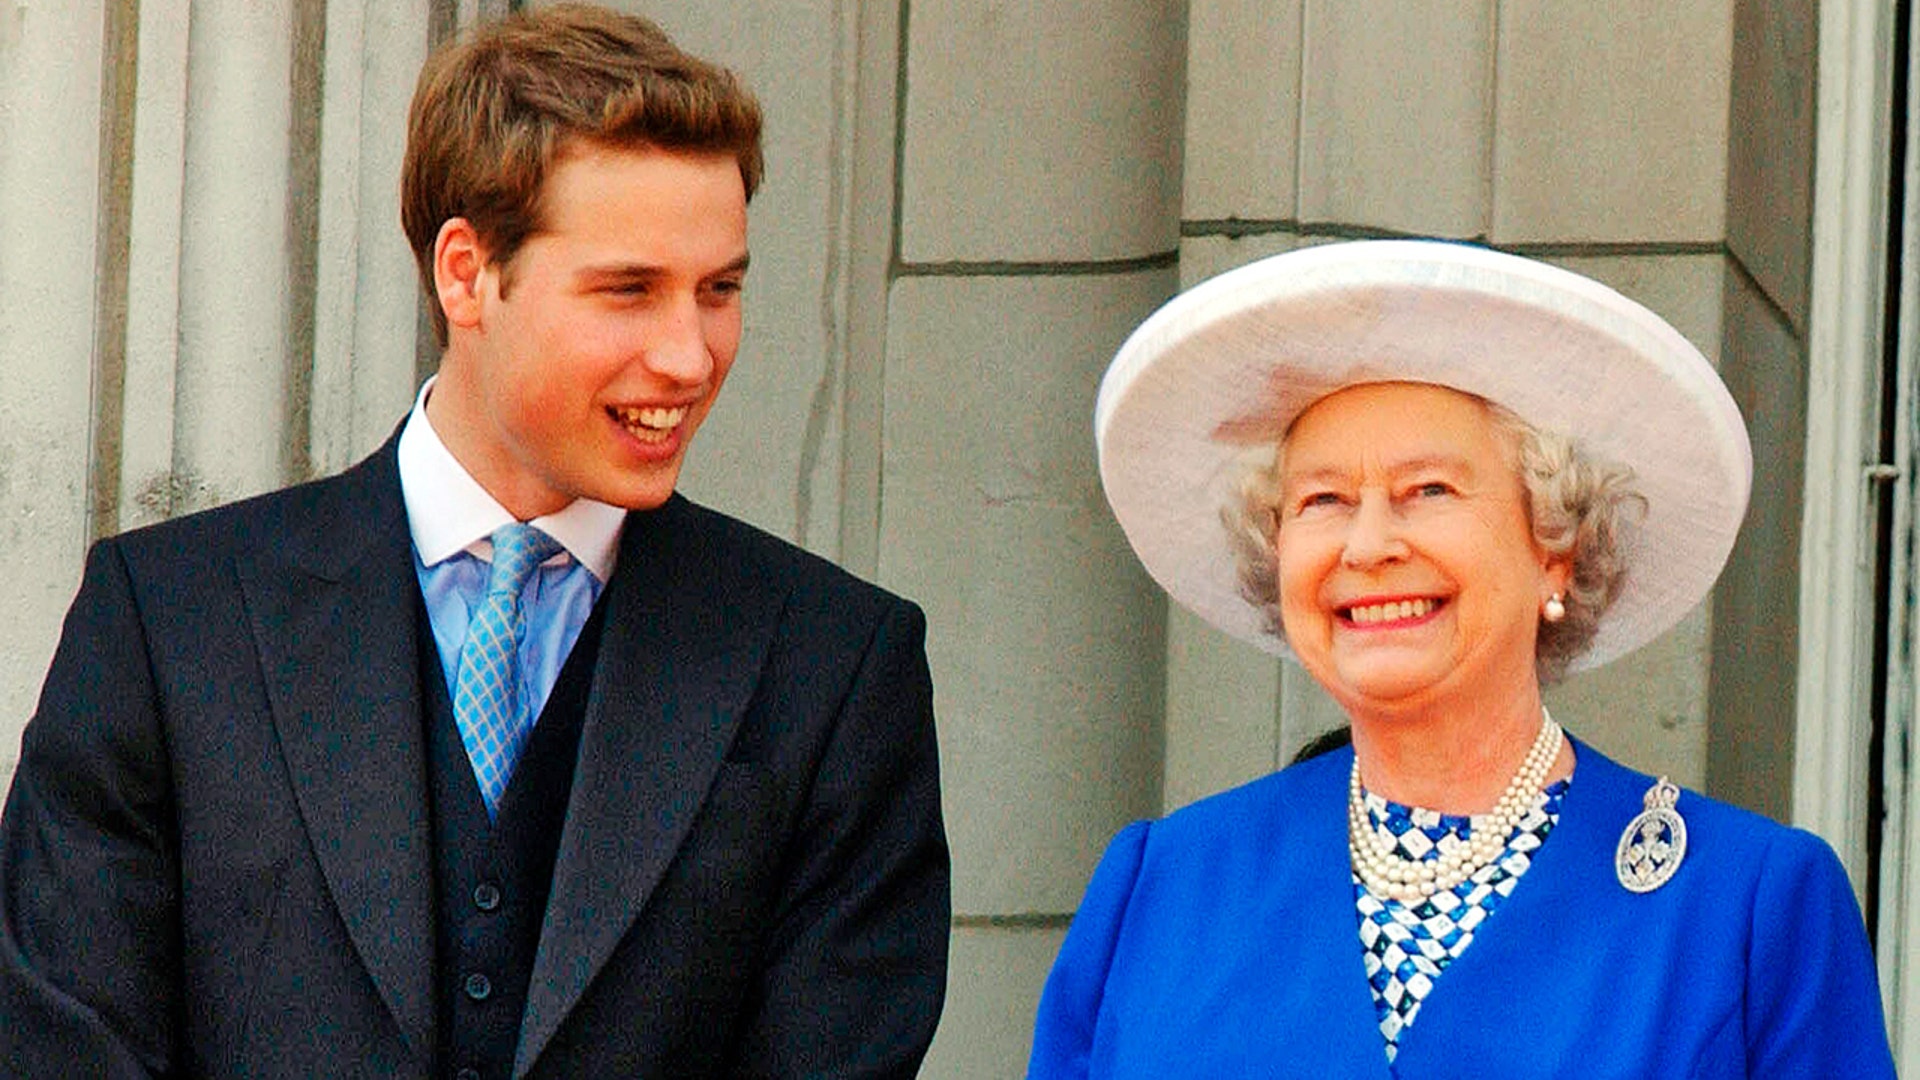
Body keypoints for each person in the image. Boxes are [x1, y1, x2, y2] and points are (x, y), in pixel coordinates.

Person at [0, 5, 948, 1077]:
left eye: (719, 289)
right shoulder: (166, 623)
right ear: (466, 272)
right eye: (629, 290)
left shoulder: (836, 666)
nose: (690, 356)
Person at [1027, 239, 1894, 1077]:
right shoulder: (1159, 888)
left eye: (1427, 491)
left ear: (1554, 545)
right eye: (1323, 499)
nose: (1367, 545)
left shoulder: (1746, 909)